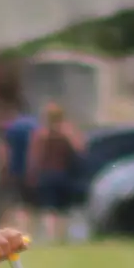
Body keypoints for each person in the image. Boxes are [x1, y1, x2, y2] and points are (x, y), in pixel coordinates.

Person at [25, 103, 86, 243]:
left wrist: (31, 174)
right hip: (63, 174)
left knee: (49, 208)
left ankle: (52, 236)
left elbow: (34, 156)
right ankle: (60, 236)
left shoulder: (41, 134)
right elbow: (80, 149)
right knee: (63, 209)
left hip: (46, 175)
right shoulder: (67, 133)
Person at [0, 109, 38, 231]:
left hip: (13, 172)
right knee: (28, 206)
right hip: (30, 172)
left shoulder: (11, 128)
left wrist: (3, 169)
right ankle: (26, 231)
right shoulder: (35, 126)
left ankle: (5, 230)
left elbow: (4, 151)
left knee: (9, 204)